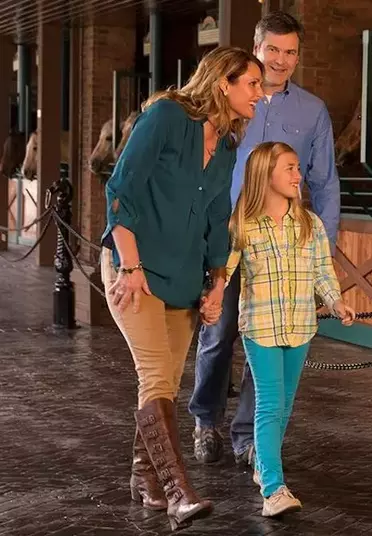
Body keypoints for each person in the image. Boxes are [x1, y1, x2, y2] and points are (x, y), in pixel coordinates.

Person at [100, 47, 264, 530]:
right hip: (139, 271)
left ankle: (143, 478)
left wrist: (216, 283)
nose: (260, 93)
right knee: (155, 376)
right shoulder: (167, 117)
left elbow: (217, 217)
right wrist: (129, 266)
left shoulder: (229, 146)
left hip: (186, 278)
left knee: (165, 384)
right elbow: (119, 192)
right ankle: (178, 492)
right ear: (222, 84)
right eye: (251, 83)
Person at [190, 11, 340, 466]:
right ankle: (205, 421)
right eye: (272, 49)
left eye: (290, 51)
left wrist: (322, 253)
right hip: (226, 239)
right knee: (218, 335)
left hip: (283, 246)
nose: (281, 60)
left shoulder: (312, 111)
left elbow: (326, 183)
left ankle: (248, 437)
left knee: (271, 340)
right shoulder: (230, 102)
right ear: (256, 48)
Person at [226, 141, 355, 516]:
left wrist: (335, 301)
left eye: (298, 168)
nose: (299, 176)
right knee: (269, 403)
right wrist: (212, 297)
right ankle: (273, 489)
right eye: (290, 168)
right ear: (266, 175)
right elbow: (226, 270)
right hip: (261, 326)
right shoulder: (243, 225)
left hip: (301, 326)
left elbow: (321, 272)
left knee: (284, 405)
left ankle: (264, 465)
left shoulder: (309, 224)